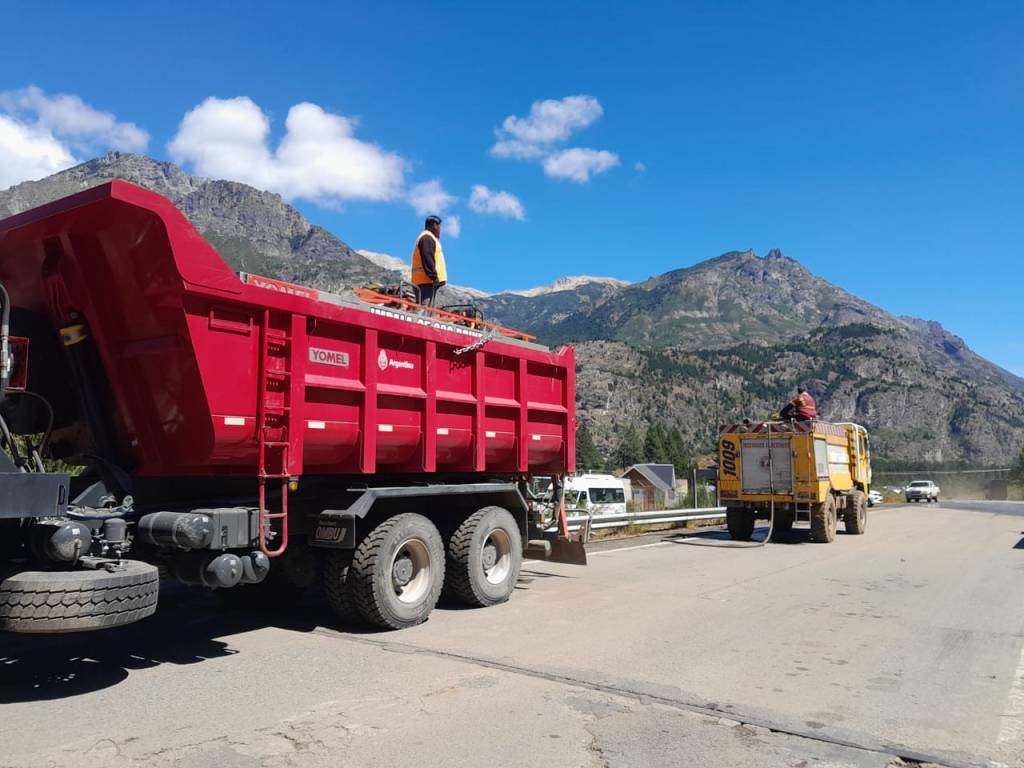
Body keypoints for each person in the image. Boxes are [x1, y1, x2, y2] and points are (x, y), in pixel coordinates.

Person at [411, 215, 447, 307]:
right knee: (425, 312)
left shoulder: (428, 238)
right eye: (439, 227)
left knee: (427, 312)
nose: (440, 230)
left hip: (426, 282)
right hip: (426, 282)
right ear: (434, 225)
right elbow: (428, 257)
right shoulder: (427, 238)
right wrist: (434, 277)